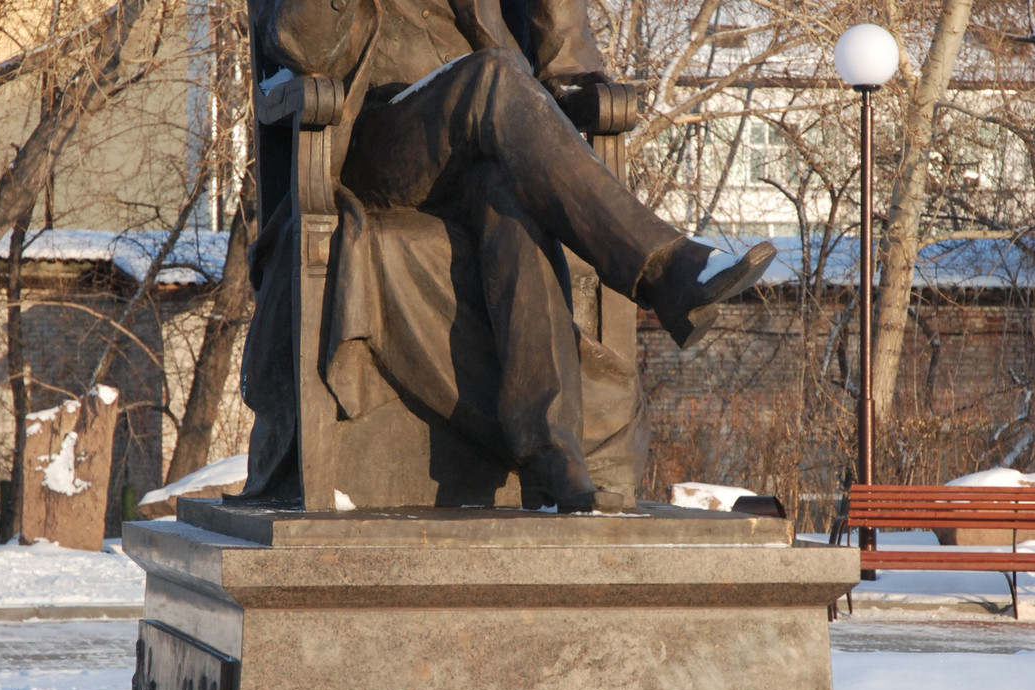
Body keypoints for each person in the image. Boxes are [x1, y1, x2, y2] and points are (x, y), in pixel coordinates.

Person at [241, 0, 775, 512]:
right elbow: (298, 45)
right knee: (492, 77)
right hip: (378, 142)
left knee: (511, 196)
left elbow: (566, 55)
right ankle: (665, 270)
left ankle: (550, 449)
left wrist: (581, 88)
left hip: (486, 139)